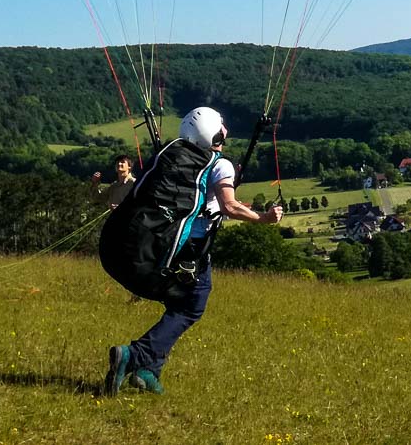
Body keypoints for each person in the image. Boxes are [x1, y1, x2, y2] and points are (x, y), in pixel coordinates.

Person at [104, 107, 282, 395]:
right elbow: (229, 206)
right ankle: (134, 356)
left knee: (180, 304)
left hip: (162, 244)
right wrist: (264, 218)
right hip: (191, 251)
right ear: (216, 134)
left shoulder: (172, 155)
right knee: (191, 306)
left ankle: (149, 370)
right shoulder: (220, 165)